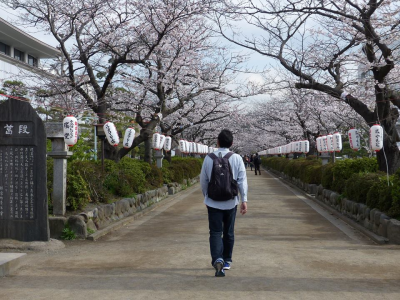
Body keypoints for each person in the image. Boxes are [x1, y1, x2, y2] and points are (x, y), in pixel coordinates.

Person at [200, 129, 248, 277]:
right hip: (231, 201)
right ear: (232, 143)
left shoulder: (209, 158)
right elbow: (242, 180)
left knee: (215, 232)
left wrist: (207, 196)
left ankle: (217, 259)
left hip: (213, 202)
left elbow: (203, 181)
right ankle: (227, 260)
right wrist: (244, 200)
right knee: (229, 232)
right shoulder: (237, 158)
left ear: (217, 142)